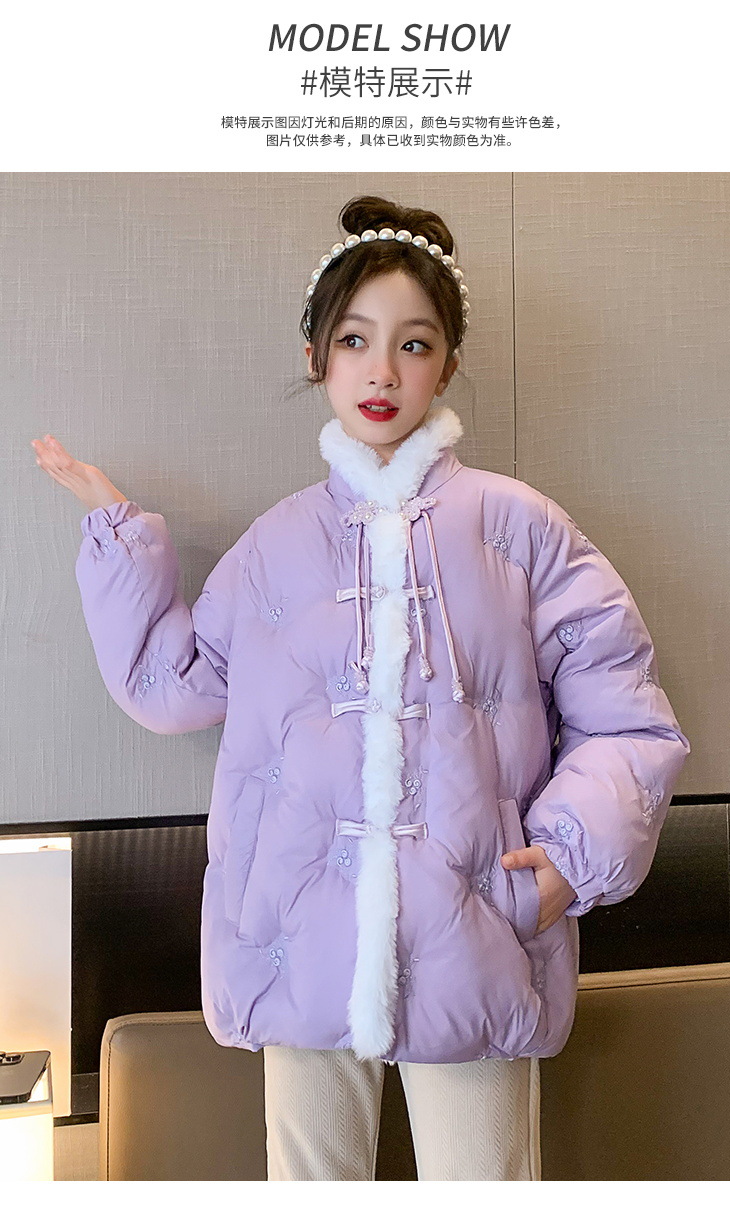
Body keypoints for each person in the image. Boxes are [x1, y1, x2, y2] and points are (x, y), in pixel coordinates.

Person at [31, 194, 691, 1182]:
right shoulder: (275, 547)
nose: (382, 370)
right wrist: (118, 529)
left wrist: (569, 856)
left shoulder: (519, 528)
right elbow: (173, 685)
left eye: (413, 344)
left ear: (447, 365)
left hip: (479, 933)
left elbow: (625, 711)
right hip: (302, 937)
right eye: (355, 340)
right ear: (317, 357)